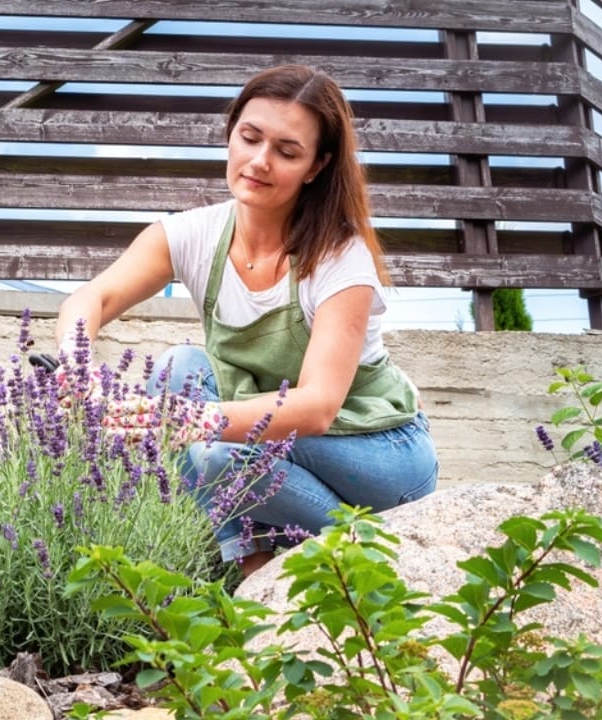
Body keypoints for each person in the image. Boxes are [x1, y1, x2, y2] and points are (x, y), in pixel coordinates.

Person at [53, 64, 439, 577]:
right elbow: (93, 297)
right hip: (281, 443)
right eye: (250, 137)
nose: (259, 161)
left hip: (378, 456)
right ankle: (252, 580)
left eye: (286, 151)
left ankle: (366, 553)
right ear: (230, 132)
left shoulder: (340, 258)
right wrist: (74, 367)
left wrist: (178, 420)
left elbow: (318, 407)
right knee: (178, 368)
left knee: (211, 457)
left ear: (316, 166)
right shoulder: (192, 234)